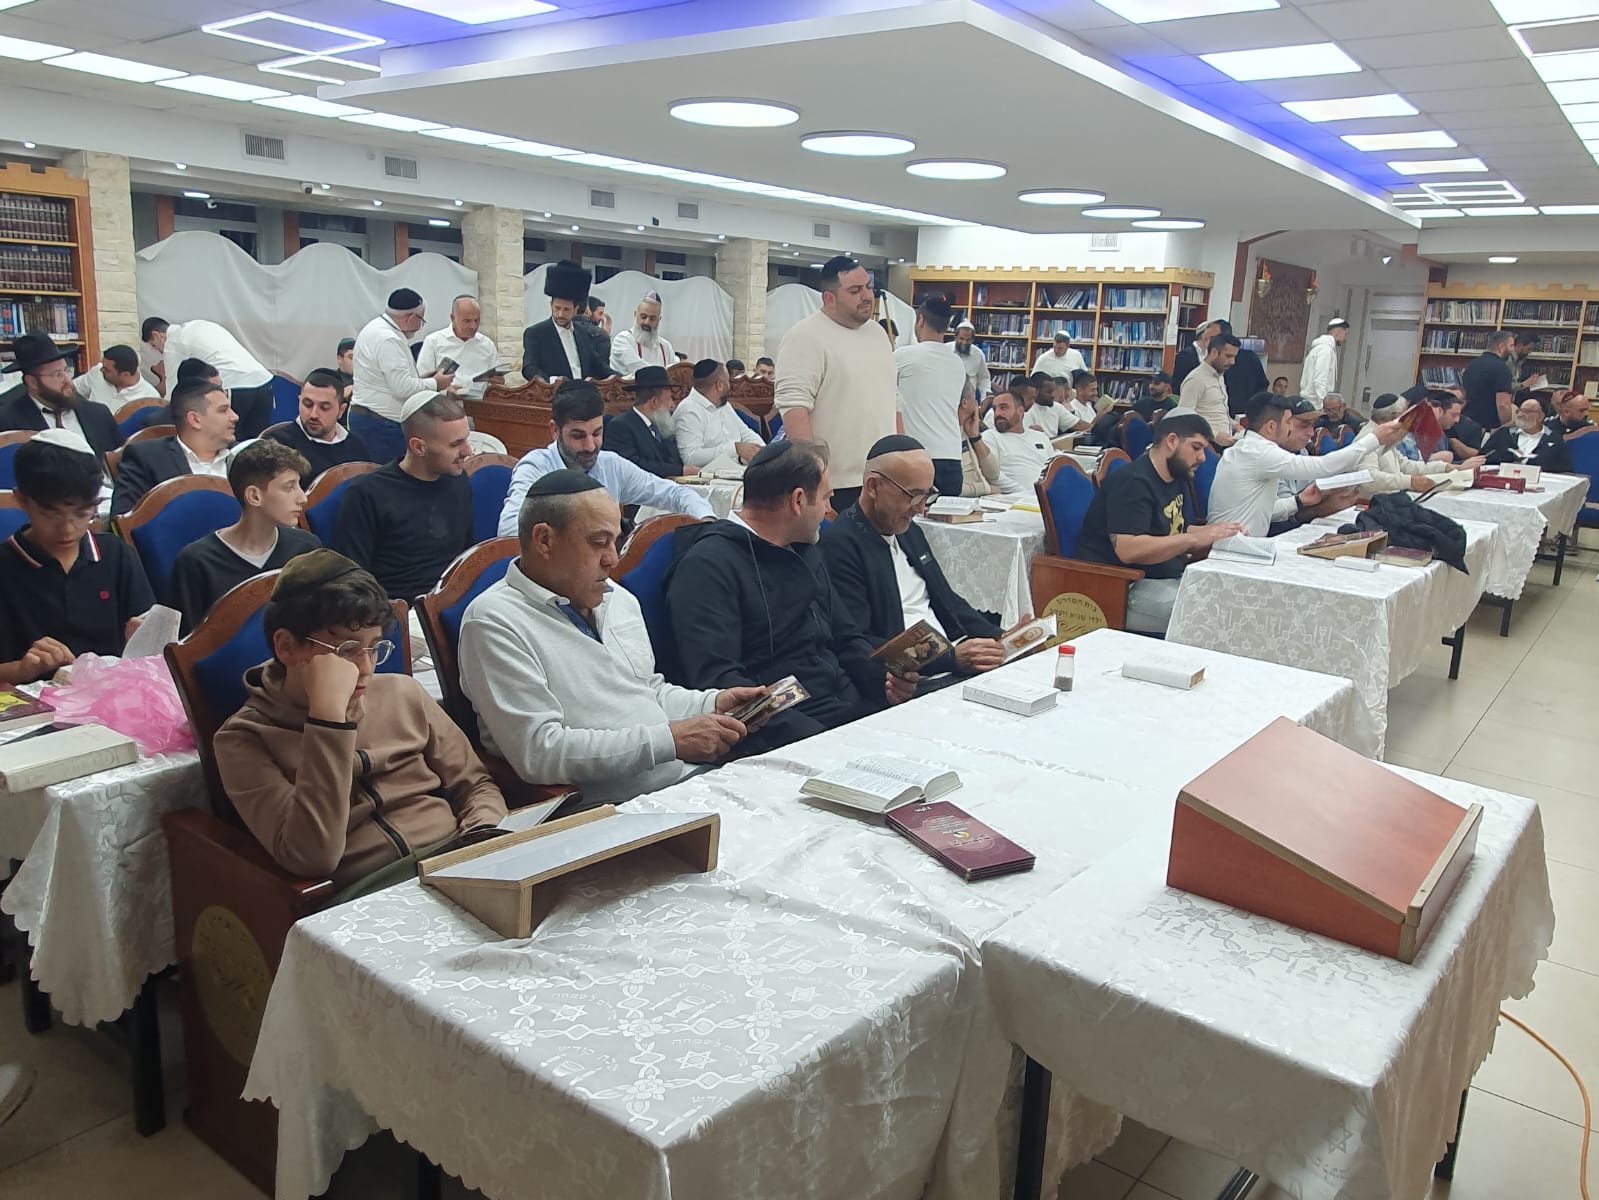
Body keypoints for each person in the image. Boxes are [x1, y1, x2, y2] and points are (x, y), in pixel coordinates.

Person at [459, 471, 759, 803]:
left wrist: (712, 703)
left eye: (615, 541)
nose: (613, 559)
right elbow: (540, 751)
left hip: (681, 783)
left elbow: (645, 692)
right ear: (544, 540)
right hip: (606, 810)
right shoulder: (493, 621)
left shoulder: (617, 598)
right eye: (598, 542)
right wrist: (670, 741)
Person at [215, 550, 507, 892]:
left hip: (455, 855)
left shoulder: (402, 693)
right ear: (287, 647)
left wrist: (482, 837)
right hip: (369, 887)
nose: (366, 669)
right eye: (346, 650)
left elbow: (474, 785)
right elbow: (312, 856)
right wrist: (328, 722)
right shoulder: (244, 738)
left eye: (374, 648)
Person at [662, 440, 913, 750]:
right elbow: (720, 681)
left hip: (847, 710)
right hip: (786, 732)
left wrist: (883, 680)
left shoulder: (804, 548)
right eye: (825, 498)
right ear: (798, 501)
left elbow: (846, 638)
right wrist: (820, 741)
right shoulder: (707, 567)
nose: (829, 510)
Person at [821, 436, 1006, 687]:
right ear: (873, 486)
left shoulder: (908, 530)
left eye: (926, 495)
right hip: (910, 681)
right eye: (913, 496)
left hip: (952, 663)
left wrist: (999, 637)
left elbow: (947, 600)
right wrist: (949, 659)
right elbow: (858, 643)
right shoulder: (840, 545)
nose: (920, 509)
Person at [0, 430, 153, 685]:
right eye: (52, 515)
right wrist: (21, 670)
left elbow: (148, 639)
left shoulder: (114, 555)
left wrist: (141, 639)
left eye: (82, 514)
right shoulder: (6, 566)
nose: (68, 529)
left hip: (111, 693)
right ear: (22, 500)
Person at [1076, 412, 1246, 635]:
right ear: (1172, 441)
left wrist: (1217, 531)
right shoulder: (1133, 482)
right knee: (1216, 615)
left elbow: (1175, 528)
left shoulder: (1176, 475)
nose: (1202, 458)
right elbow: (1128, 549)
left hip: (1162, 575)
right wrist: (1192, 539)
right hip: (1122, 587)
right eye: (1196, 447)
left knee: (1233, 598)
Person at [496, 381, 713, 537]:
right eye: (578, 436)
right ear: (555, 430)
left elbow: (673, 493)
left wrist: (706, 519)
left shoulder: (610, 464)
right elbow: (509, 531)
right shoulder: (535, 467)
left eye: (597, 433)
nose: (590, 446)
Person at [774, 256, 897, 513]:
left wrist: (903, 459)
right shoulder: (804, 336)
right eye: (855, 290)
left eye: (868, 287)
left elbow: (894, 403)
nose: (866, 296)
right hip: (836, 485)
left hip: (885, 478)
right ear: (829, 298)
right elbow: (795, 411)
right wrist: (815, 481)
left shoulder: (878, 334)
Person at [167, 439, 321, 633]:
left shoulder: (307, 548)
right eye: (289, 488)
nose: (303, 498)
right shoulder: (196, 562)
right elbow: (186, 644)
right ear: (254, 496)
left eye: (299, 485)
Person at [332, 393, 473, 601]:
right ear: (418, 447)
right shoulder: (366, 494)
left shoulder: (458, 481)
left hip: (454, 602)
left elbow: (466, 558)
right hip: (395, 608)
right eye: (455, 444)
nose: (468, 451)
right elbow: (352, 582)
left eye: (466, 439)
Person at [1208, 391, 1403, 536]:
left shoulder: (1248, 448)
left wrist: (1298, 501)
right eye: (1288, 422)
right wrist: (1374, 438)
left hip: (1242, 544)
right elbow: (1323, 466)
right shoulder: (1259, 452)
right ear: (1271, 426)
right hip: (1233, 549)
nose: (1290, 428)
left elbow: (1262, 510)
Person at [350, 289, 456, 464]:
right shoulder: (388, 339)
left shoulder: (375, 328)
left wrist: (422, 379)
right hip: (380, 425)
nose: (420, 325)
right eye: (421, 319)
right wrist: (436, 383)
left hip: (371, 419)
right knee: (386, 477)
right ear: (412, 317)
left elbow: (388, 379)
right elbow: (402, 389)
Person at [110, 378, 238, 516]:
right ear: (195, 419)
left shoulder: (244, 454)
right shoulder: (146, 458)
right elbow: (122, 520)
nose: (235, 417)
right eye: (223, 410)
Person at [141, 316, 275, 440]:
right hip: (263, 380)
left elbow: (173, 390)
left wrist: (161, 419)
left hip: (236, 383)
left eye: (154, 346)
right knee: (256, 442)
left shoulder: (173, 343)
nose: (159, 351)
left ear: (157, 335)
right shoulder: (199, 324)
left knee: (228, 439)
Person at [0, 332, 125, 460]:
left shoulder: (98, 414)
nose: (67, 380)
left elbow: (122, 464)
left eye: (66, 370)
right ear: (32, 382)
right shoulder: (7, 423)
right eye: (57, 374)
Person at [894, 294, 967, 498]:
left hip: (918, 456)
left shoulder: (903, 356)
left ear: (920, 320)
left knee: (911, 517)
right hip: (952, 456)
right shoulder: (957, 363)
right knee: (946, 517)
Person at [1266, 398, 1365, 534]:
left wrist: (1331, 496)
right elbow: (1283, 518)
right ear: (1281, 424)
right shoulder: (1267, 458)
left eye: (1312, 426)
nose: (1311, 433)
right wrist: (1326, 506)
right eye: (1304, 426)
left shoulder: (1303, 452)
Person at [1357, 393, 1480, 498]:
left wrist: (1445, 467)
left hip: (1392, 497)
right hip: (1374, 502)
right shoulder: (1367, 438)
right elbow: (1369, 478)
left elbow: (1405, 465)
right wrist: (1410, 481)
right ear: (1394, 416)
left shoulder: (1385, 434)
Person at [264, 368, 372, 484]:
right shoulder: (277, 444)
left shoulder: (357, 446)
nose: (314, 414)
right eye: (308, 404)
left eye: (324, 408)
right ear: (299, 402)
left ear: (341, 410)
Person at [522, 261, 611, 383]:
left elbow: (600, 367)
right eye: (557, 308)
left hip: (584, 391)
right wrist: (552, 381)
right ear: (551, 305)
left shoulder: (583, 334)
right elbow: (529, 367)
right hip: (554, 392)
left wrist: (620, 378)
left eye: (566, 310)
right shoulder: (536, 333)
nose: (560, 314)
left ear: (576, 309)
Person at [674, 358, 762, 469]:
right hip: (710, 475)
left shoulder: (724, 405)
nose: (730, 386)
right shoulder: (688, 411)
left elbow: (745, 433)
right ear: (719, 385)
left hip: (739, 469)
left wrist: (762, 450)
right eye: (728, 381)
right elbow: (690, 457)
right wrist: (735, 449)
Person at [602, 365, 685, 478]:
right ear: (654, 402)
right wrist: (680, 471)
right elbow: (633, 466)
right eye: (669, 399)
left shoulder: (660, 424)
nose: (672, 405)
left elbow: (673, 458)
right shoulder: (620, 426)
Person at [417, 295, 503, 400]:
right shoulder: (434, 341)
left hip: (479, 404)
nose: (473, 326)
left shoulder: (487, 344)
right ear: (452, 318)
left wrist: (498, 381)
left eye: (476, 320)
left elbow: (498, 381)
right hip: (445, 403)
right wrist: (445, 391)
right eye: (467, 321)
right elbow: (422, 381)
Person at [983, 389, 1054, 494]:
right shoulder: (990, 437)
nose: (997, 413)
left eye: (1003, 407)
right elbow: (993, 476)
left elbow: (1054, 469)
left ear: (1020, 411)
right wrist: (1027, 494)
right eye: (994, 409)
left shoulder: (1040, 437)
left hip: (1048, 495)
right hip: (1017, 498)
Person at [1482, 397, 1574, 472]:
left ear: (1540, 416)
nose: (1520, 415)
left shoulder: (1555, 440)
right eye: (1519, 411)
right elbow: (1484, 457)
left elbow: (1564, 469)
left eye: (1526, 412)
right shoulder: (1503, 434)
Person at [1179, 332, 1240, 445]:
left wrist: (1234, 425)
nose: (1232, 362)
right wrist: (1214, 435)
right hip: (1206, 445)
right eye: (1228, 356)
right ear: (1214, 352)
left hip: (1225, 442)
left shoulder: (1220, 375)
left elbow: (1213, 411)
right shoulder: (1196, 379)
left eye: (1234, 357)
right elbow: (1184, 417)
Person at [72, 343, 160, 412]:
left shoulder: (151, 397)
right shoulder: (97, 373)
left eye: (107, 370)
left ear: (125, 375)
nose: (101, 370)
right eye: (103, 366)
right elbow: (71, 389)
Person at [1461, 330, 1516, 431]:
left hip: (1468, 423)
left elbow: (1464, 395)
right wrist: (1505, 429)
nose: (1513, 350)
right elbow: (1503, 405)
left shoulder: (1472, 364)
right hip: (1488, 427)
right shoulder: (1502, 369)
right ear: (1501, 346)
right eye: (1511, 346)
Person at [610, 292, 675, 376]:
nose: (647, 322)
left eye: (652, 319)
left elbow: (675, 371)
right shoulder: (622, 340)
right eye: (643, 317)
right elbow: (641, 371)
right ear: (635, 314)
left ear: (659, 320)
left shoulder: (666, 346)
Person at [1215, 320, 1268, 416]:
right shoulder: (1251, 356)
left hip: (1230, 413)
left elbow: (1262, 386)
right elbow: (1263, 386)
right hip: (1244, 413)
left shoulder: (1219, 360)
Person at [1300, 317, 1349, 407]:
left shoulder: (1322, 348)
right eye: (1345, 334)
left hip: (1313, 402)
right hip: (1315, 404)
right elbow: (1319, 380)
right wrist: (1325, 405)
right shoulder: (1325, 350)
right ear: (1338, 332)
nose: (1345, 338)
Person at [957, 385, 996, 496]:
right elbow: (948, 487)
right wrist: (986, 489)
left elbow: (993, 473)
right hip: (961, 500)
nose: (976, 404)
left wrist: (975, 437)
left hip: (981, 498)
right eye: (974, 398)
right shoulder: (942, 434)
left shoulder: (971, 429)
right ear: (964, 403)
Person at [1171, 318, 1219, 391]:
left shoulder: (1209, 354)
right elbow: (1177, 383)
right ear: (1204, 337)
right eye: (1213, 337)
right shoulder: (1185, 355)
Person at [952, 319, 991, 403]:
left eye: (967, 340)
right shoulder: (945, 350)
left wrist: (984, 398)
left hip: (968, 400)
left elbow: (984, 378)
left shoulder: (978, 354)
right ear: (955, 337)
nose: (964, 342)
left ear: (972, 340)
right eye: (961, 339)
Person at [577, 294, 612, 368]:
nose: (602, 318)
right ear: (588, 311)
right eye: (600, 313)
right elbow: (602, 367)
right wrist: (604, 335)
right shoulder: (600, 336)